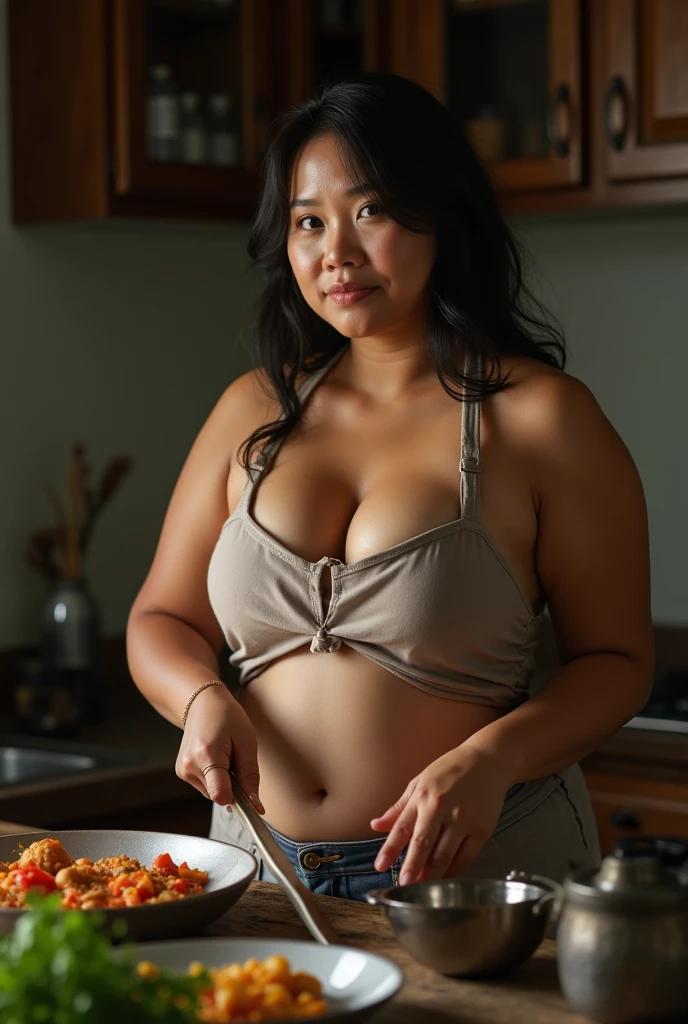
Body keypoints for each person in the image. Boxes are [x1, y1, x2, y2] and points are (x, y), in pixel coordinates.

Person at [127, 73, 654, 899]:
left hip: (475, 878)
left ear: (442, 213)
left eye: (369, 210)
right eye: (309, 221)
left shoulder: (542, 419)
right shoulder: (251, 411)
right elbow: (160, 618)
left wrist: (493, 757)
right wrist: (200, 698)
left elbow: (618, 662)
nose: (335, 250)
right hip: (257, 875)